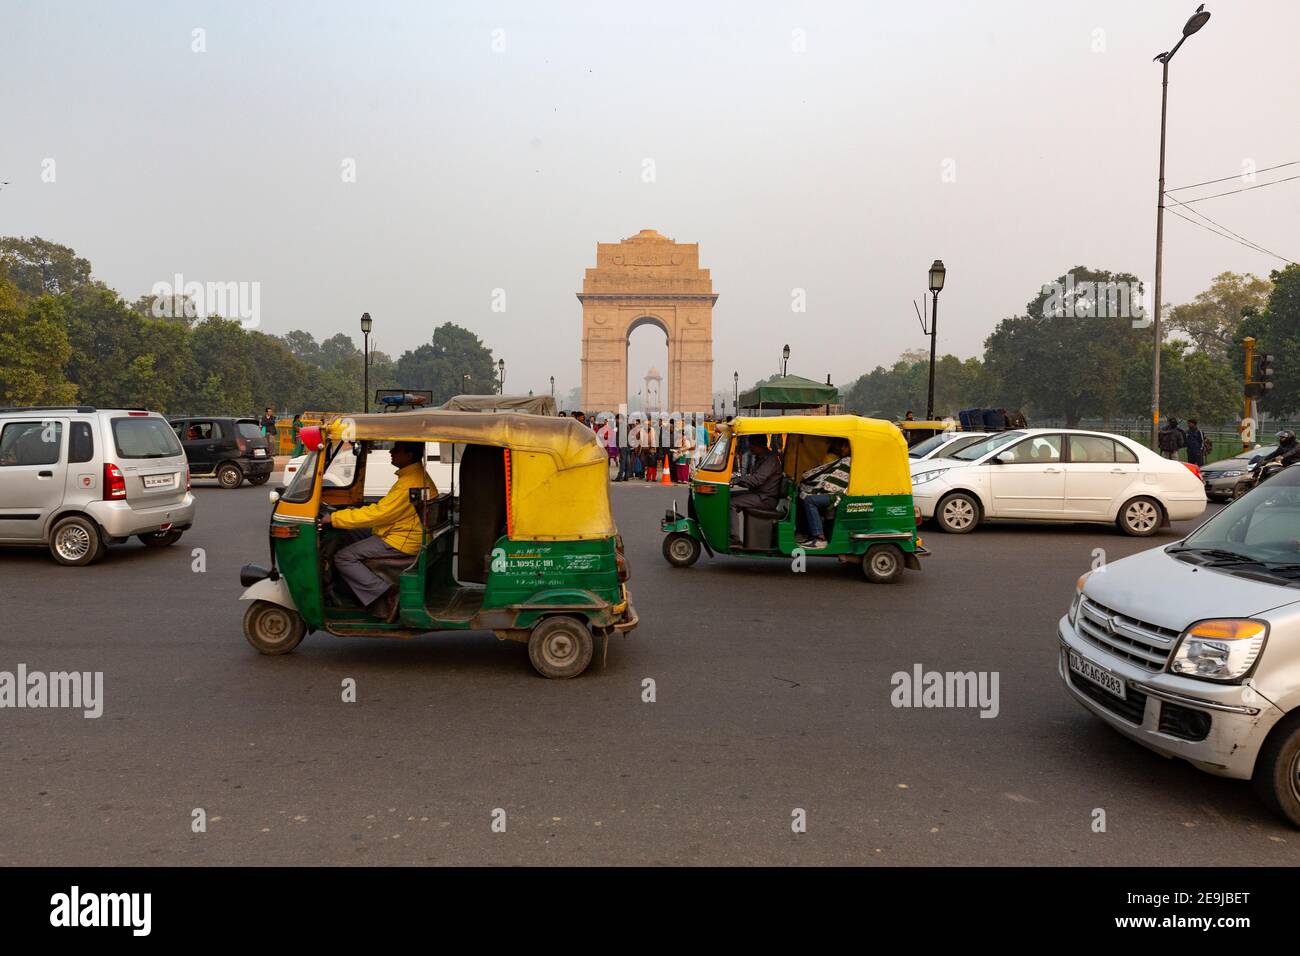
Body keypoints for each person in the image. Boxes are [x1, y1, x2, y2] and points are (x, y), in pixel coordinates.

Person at [322, 441, 436, 623]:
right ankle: (349, 587)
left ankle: (385, 595)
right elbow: (385, 510)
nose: (391, 451)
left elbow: (380, 514)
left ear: (409, 455)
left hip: (403, 540)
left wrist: (335, 518)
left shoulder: (409, 483)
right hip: (402, 530)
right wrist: (348, 514)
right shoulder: (411, 477)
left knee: (343, 557)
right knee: (349, 534)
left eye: (397, 449)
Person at [796, 439, 851, 549]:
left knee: (809, 500)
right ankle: (807, 533)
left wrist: (813, 481)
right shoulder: (844, 460)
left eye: (845, 446)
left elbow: (834, 480)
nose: (842, 449)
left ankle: (819, 538)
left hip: (837, 495)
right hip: (834, 492)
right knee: (802, 495)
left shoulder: (847, 461)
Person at [729, 435, 783, 543]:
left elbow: (756, 480)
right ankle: (729, 528)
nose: (750, 448)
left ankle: (734, 538)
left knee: (731, 503)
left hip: (766, 498)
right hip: (759, 493)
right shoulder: (761, 457)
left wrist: (737, 480)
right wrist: (737, 479)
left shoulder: (770, 460)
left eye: (751, 445)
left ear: (758, 446)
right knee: (729, 496)